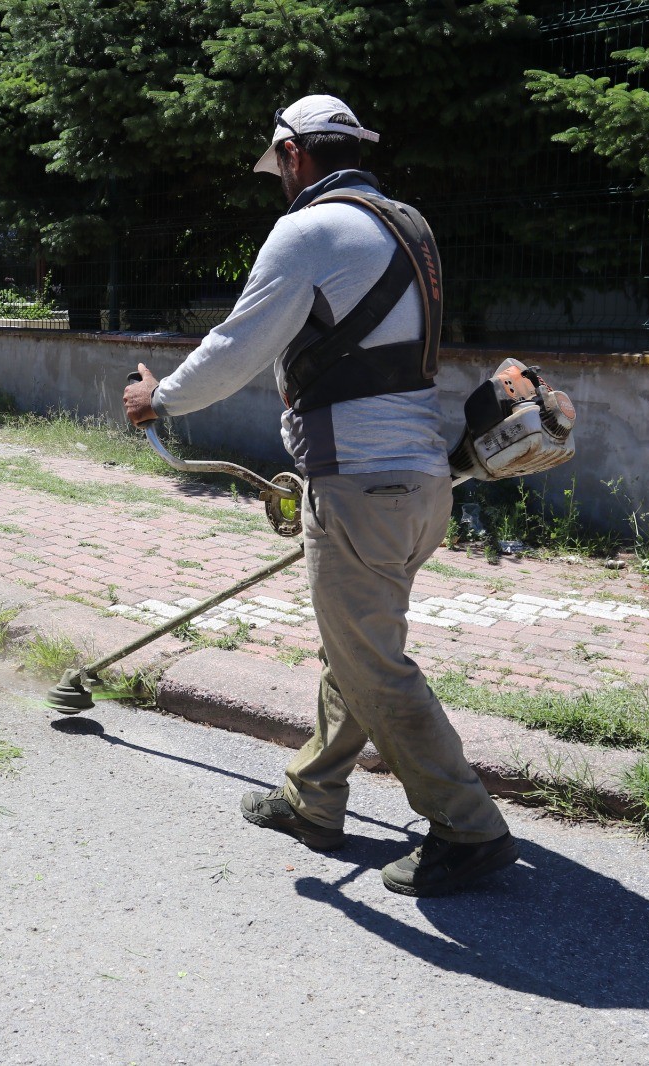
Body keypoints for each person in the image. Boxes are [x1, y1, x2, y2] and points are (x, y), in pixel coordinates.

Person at [122, 94, 519, 898]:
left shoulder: (308, 229)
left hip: (361, 487)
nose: (280, 181)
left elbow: (237, 346)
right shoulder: (409, 224)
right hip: (422, 484)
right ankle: (313, 797)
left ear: (295, 154)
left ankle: (468, 828)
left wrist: (158, 401)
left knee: (373, 663)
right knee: (357, 648)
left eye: (280, 167)